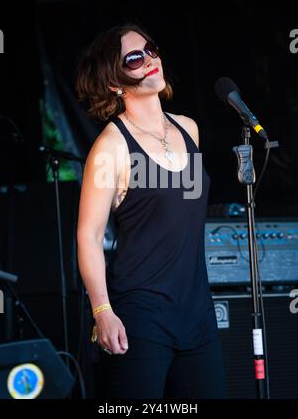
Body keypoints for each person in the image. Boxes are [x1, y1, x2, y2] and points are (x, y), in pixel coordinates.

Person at [76, 23, 226, 399]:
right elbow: (89, 236)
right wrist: (102, 312)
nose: (149, 60)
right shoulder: (111, 147)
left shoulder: (188, 129)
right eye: (134, 58)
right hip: (141, 317)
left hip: (197, 314)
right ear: (114, 82)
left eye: (151, 49)